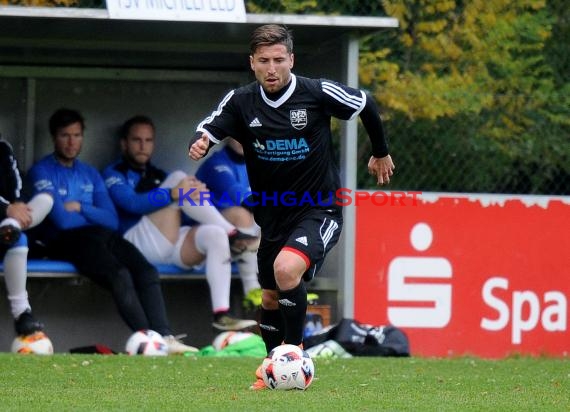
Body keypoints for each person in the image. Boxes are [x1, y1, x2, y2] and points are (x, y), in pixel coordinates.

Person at [188, 24, 395, 389]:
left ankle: (295, 356)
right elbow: (210, 125)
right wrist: (202, 141)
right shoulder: (241, 101)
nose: (272, 68)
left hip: (320, 208)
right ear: (252, 63)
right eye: (264, 61)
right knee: (269, 296)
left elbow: (365, 103)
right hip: (273, 214)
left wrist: (380, 152)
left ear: (291, 60)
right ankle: (272, 368)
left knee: (286, 270)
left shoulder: (315, 92)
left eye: (279, 60)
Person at [27, 108, 197, 354]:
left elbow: (111, 220)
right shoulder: (41, 171)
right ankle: (151, 341)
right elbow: (63, 222)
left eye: (77, 135)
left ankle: (166, 336)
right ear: (55, 137)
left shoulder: (89, 173)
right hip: (65, 241)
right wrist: (89, 213)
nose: (72, 142)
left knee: (146, 271)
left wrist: (81, 207)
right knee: (120, 275)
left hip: (100, 234)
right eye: (65, 135)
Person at [102, 115, 258, 331]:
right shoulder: (114, 172)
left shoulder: (158, 174)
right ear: (124, 143)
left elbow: (184, 215)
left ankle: (221, 314)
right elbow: (132, 204)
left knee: (214, 233)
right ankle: (234, 234)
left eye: (148, 140)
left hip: (168, 241)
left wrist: (194, 195)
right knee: (178, 179)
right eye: (136, 140)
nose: (142, 146)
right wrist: (175, 193)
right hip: (133, 245)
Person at [195, 137, 262, 310]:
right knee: (243, 214)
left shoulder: (259, 161)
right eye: (235, 131)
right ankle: (252, 288)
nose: (241, 137)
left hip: (242, 244)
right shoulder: (216, 163)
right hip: (204, 241)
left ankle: (283, 288)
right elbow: (237, 193)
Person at [1, 137, 53, 337]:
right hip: (4, 216)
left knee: (46, 199)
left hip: (8, 221)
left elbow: (17, 182)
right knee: (18, 239)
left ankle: (12, 227)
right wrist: (6, 209)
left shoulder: (3, 147)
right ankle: (22, 312)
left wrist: (16, 206)